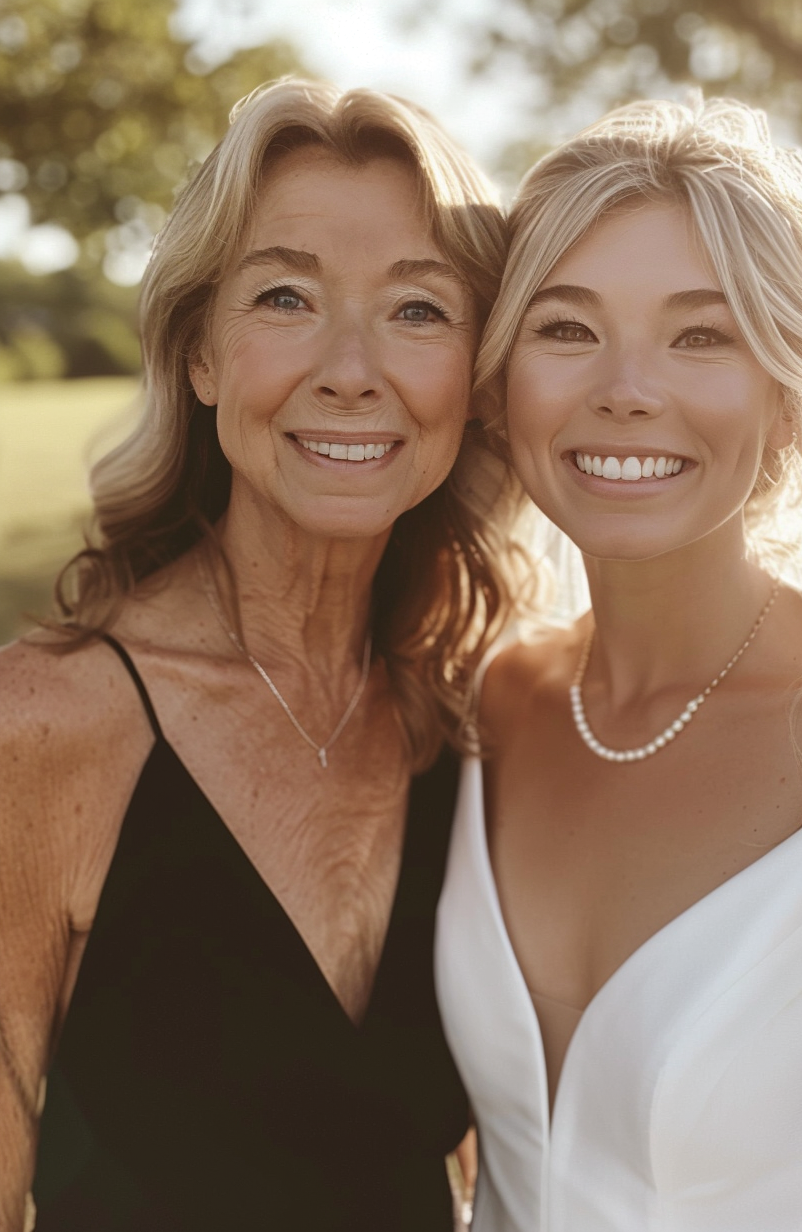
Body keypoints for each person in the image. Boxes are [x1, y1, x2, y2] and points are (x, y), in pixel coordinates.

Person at [0, 77, 522, 1231]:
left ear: (475, 377)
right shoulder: (42, 724)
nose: (350, 367)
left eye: (419, 309)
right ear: (198, 356)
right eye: (285, 297)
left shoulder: (481, 717)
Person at [435, 96, 802, 1230]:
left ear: (790, 395)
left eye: (701, 334)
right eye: (566, 328)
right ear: (499, 387)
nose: (626, 387)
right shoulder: (490, 701)